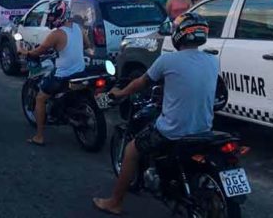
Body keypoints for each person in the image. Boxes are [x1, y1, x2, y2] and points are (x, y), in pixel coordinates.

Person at [93, 13, 217, 215]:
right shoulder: (213, 60)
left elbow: (140, 83)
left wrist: (120, 93)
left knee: (132, 150)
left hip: (172, 132)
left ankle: (115, 202)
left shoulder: (167, 60)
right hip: (204, 130)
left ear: (179, 34)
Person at [19, 1, 92, 146]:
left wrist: (24, 52)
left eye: (53, 16)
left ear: (61, 16)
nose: (51, 19)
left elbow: (39, 51)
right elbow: (87, 45)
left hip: (63, 76)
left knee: (40, 98)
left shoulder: (56, 34)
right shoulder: (78, 28)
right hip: (81, 72)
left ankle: (39, 136)